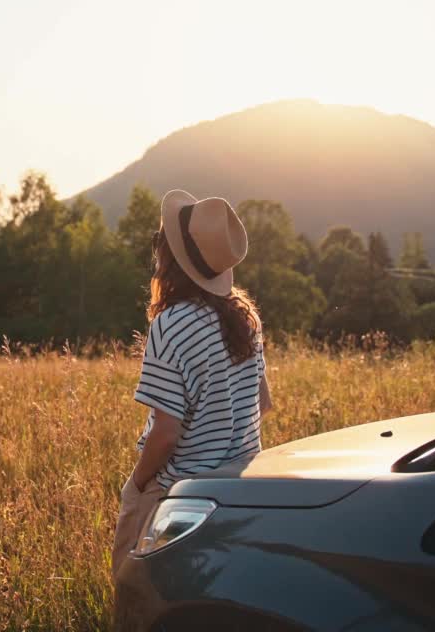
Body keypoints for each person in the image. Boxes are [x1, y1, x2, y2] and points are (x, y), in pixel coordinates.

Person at [110, 189, 273, 582]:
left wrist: (135, 485)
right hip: (241, 486)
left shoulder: (171, 324)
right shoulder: (245, 315)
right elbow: (263, 403)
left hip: (183, 493)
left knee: (131, 589)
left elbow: (166, 433)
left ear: (169, 256)